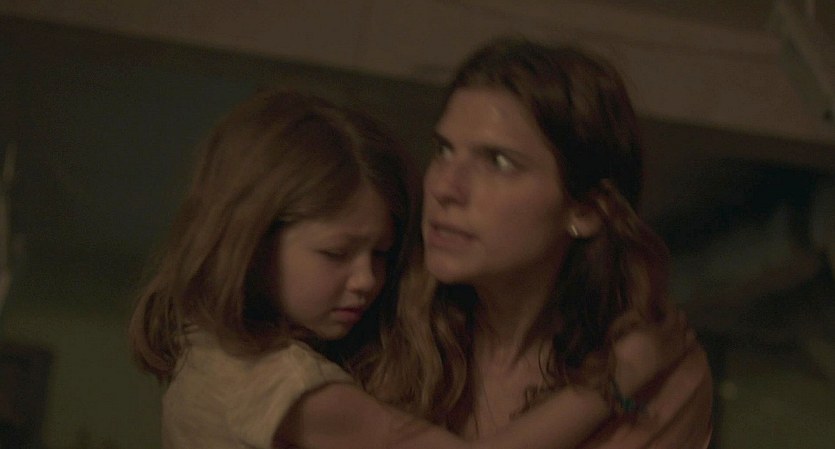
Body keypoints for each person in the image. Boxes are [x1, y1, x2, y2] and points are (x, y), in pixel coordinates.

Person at [127, 89, 691, 449]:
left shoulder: (208, 347)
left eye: (381, 254)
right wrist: (616, 381)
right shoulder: (277, 384)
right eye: (336, 253)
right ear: (250, 244)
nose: (367, 280)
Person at [354, 37, 714, 448]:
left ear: (587, 211)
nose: (444, 187)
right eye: (444, 150)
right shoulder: (373, 314)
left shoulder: (663, 377)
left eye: (498, 162)